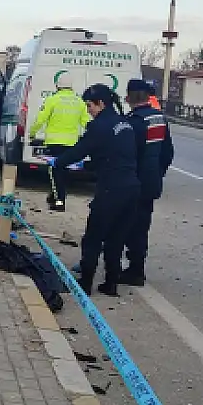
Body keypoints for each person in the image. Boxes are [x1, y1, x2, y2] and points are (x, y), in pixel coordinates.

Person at [49, 85, 139, 296]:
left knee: (93, 237)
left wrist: (58, 163)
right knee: (116, 238)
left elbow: (80, 150)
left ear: (101, 104)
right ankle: (111, 284)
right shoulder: (124, 123)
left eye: (90, 105)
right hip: (132, 188)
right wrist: (89, 166)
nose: (88, 110)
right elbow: (114, 155)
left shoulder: (100, 126)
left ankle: (85, 283)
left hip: (111, 190)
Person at [119, 79, 173, 285]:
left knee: (127, 225)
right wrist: (158, 173)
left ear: (129, 98)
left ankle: (131, 270)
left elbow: (127, 154)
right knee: (142, 226)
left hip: (133, 182)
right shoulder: (159, 119)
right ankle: (137, 268)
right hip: (151, 182)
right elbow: (168, 152)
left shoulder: (133, 122)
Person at [31, 74, 90, 212]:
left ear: (58, 85)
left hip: (55, 142)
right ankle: (54, 196)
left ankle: (59, 201)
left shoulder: (53, 100)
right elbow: (86, 122)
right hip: (72, 143)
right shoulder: (79, 102)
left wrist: (32, 133)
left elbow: (41, 119)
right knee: (63, 172)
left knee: (55, 171)